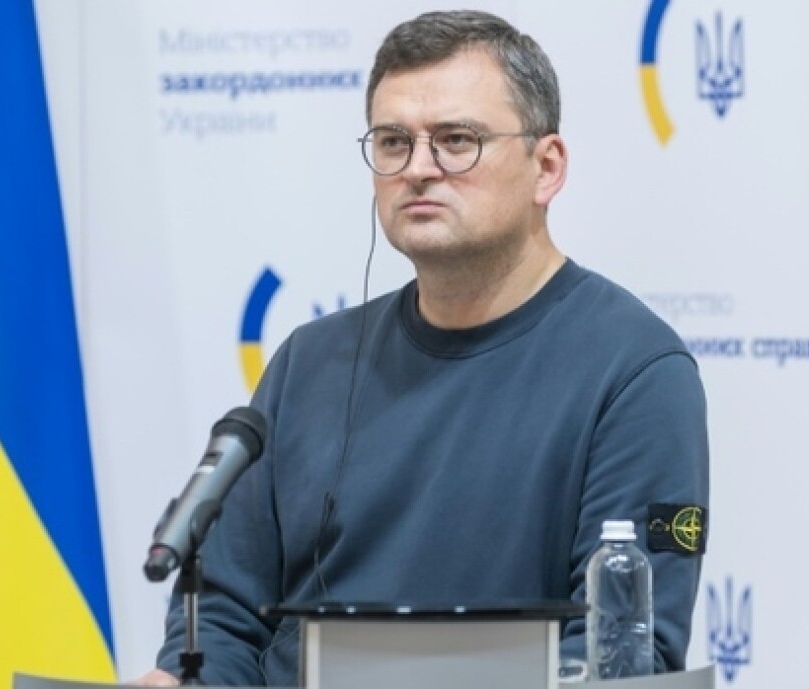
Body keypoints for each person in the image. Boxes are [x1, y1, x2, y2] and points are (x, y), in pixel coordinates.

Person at [136, 9, 709, 687]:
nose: (418, 168)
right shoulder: (308, 362)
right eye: (393, 142)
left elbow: (621, 653)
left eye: (456, 140)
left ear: (547, 167)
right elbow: (225, 614)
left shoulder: (635, 371)